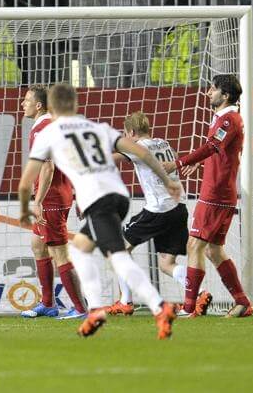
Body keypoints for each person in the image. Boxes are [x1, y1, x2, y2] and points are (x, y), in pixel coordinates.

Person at [19, 83, 180, 339]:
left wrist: (31, 202)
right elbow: (142, 151)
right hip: (116, 197)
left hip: (100, 201)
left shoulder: (48, 133)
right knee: (81, 249)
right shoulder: (97, 128)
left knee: (115, 257)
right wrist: (168, 180)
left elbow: (33, 175)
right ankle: (91, 311)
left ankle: (159, 308)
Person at [164, 75, 252, 317]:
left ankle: (190, 307)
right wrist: (200, 164)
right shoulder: (224, 119)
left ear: (225, 96)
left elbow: (213, 146)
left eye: (213, 89)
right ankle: (242, 301)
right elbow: (220, 152)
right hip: (216, 191)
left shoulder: (229, 120)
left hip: (217, 193)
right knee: (213, 250)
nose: (208, 92)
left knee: (195, 244)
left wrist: (179, 162)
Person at [106, 111, 191, 315]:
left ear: (132, 132)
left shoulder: (137, 147)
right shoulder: (163, 143)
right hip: (179, 208)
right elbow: (176, 160)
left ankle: (125, 301)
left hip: (158, 210)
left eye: (125, 134)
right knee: (166, 263)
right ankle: (198, 292)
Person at [19, 86, 86, 320]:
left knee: (59, 253)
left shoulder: (42, 129)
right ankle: (48, 303)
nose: (22, 104)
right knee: (38, 246)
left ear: (38, 105)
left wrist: (37, 201)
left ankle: (80, 308)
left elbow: (47, 166)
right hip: (60, 193)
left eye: (26, 100)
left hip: (51, 198)